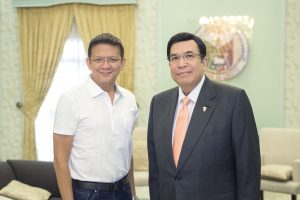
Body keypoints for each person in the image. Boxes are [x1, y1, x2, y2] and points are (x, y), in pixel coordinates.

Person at [147, 32, 260, 200]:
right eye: (174, 58)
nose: (181, 63)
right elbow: (155, 169)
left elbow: (248, 169)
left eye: (189, 56)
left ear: (204, 62)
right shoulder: (159, 103)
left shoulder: (233, 100)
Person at [53, 33, 138, 200]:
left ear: (122, 63)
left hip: (123, 191)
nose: (106, 65)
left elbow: (126, 150)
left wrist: (133, 193)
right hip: (87, 193)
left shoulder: (129, 99)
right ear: (88, 63)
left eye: (113, 59)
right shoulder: (70, 99)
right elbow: (60, 159)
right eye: (99, 60)